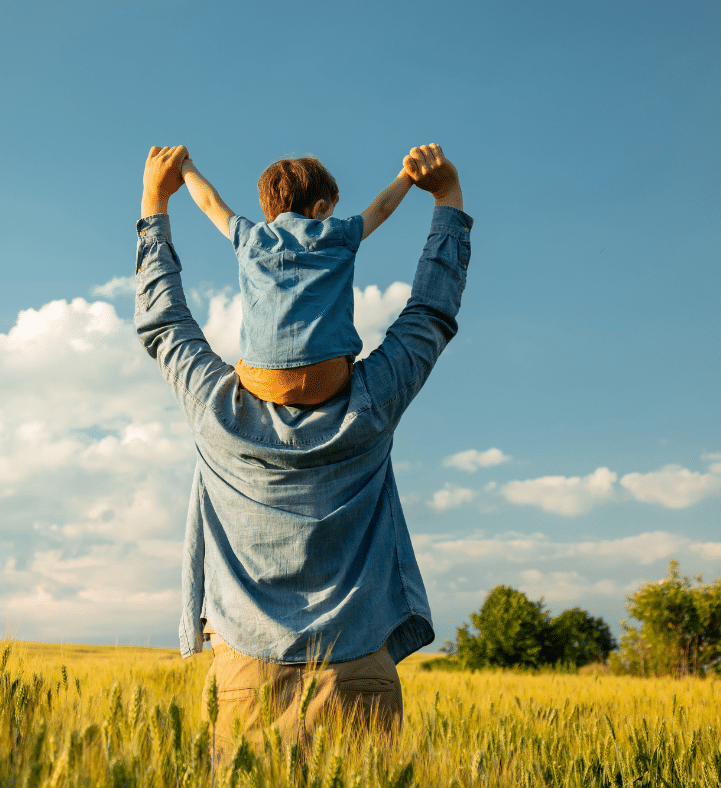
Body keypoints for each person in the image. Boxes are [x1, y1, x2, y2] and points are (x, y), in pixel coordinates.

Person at [135, 143, 471, 754]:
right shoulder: (372, 402)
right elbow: (430, 313)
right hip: (359, 675)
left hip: (245, 684)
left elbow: (163, 323)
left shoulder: (216, 411)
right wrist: (446, 199)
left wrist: (155, 204)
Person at [179, 153, 413, 405]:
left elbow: (209, 203)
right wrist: (407, 175)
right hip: (327, 378)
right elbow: (382, 207)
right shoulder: (338, 234)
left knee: (240, 367)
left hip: (264, 381)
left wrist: (184, 165)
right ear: (320, 207)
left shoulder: (250, 238)